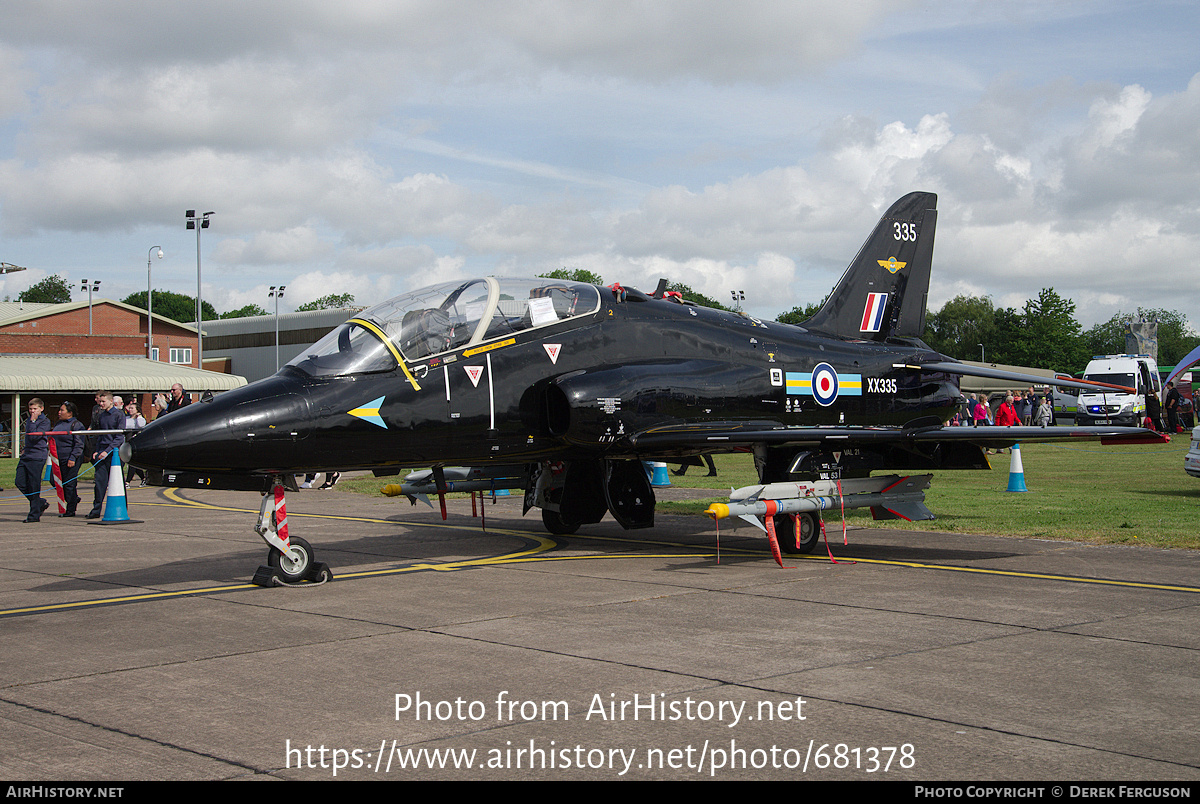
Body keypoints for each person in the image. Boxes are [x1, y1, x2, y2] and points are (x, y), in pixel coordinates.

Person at [87, 391, 125, 519]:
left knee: (117, 482)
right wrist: (97, 450)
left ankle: (122, 508)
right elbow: (101, 435)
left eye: (103, 401)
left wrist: (107, 451)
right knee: (99, 482)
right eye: (100, 401)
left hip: (114, 453)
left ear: (110, 401)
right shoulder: (101, 416)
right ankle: (96, 509)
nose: (101, 404)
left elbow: (119, 437)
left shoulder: (119, 415)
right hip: (102, 451)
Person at [15, 398, 51, 522]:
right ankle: (39, 503)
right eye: (30, 409)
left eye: (35, 409)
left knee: (34, 485)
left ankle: (34, 515)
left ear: (41, 409)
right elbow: (28, 436)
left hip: (37, 456)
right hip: (27, 455)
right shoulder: (30, 421)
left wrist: (34, 420)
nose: (32, 411)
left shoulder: (44, 422)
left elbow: (34, 436)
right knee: (20, 482)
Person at [53, 402, 87, 516]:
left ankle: (71, 509)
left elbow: (79, 444)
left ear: (70, 413)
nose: (59, 412)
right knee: (55, 481)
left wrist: (73, 458)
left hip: (71, 458)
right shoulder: (59, 424)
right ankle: (74, 498)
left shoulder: (76, 425)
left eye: (62, 410)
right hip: (58, 459)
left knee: (69, 483)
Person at [123, 400, 147, 485]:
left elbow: (141, 425)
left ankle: (127, 481)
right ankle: (143, 478)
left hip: (135, 442)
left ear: (137, 410)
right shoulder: (126, 419)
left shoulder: (140, 419)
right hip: (127, 441)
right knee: (133, 463)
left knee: (131, 462)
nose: (130, 410)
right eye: (129, 408)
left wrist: (138, 416)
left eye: (132, 408)